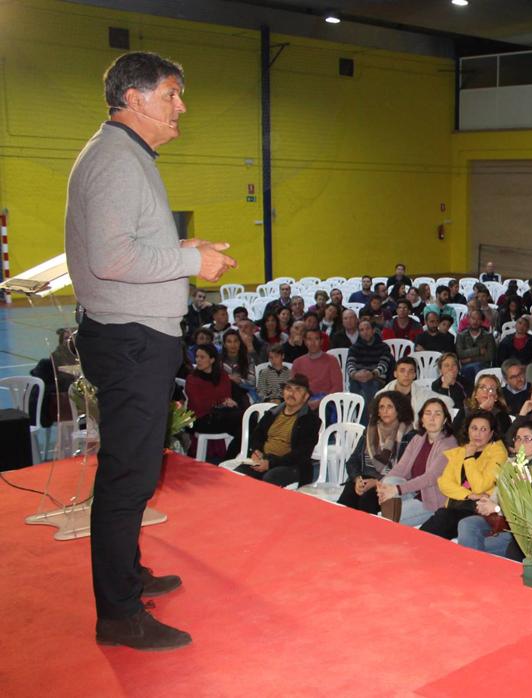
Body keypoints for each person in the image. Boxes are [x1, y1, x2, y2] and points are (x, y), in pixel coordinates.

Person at [67, 51, 237, 650]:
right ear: (133, 99)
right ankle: (117, 615)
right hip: (131, 338)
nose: (181, 106)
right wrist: (192, 261)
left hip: (133, 335)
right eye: (171, 94)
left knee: (136, 472)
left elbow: (129, 243)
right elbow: (111, 260)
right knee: (128, 476)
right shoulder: (117, 161)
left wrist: (178, 242)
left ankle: (126, 575)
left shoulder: (124, 155)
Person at [458, 421, 532, 558]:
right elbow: (498, 492)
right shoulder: (511, 463)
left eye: (527, 439)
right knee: (466, 524)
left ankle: (472, 568)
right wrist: (487, 503)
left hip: (522, 532)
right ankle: (472, 566)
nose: (520, 443)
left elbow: (530, 512)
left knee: (475, 545)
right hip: (500, 520)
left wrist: (496, 508)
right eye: (518, 438)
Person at [420, 411, 508, 539]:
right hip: (455, 508)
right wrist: (468, 495)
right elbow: (444, 483)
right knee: (442, 517)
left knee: (442, 519)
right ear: (468, 431)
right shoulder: (462, 451)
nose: (477, 434)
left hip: (479, 511)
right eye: (474, 428)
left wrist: (469, 458)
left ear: (491, 434)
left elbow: (480, 486)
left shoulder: (498, 454)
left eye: (483, 429)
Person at [376, 397, 457, 527]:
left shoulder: (449, 444)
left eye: (438, 414)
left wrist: (396, 490)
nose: (432, 418)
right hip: (413, 492)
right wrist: (382, 484)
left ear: (445, 420)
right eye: (428, 413)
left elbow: (430, 478)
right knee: (389, 482)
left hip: (430, 501)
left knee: (385, 518)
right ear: (422, 420)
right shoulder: (418, 439)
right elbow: (401, 468)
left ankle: (390, 529)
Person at [231, 373, 321, 488]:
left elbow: (301, 454)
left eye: (298, 390)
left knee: (270, 478)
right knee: (239, 474)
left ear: (306, 396)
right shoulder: (273, 412)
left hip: (293, 466)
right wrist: (256, 450)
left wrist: (271, 463)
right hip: (265, 459)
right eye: (288, 388)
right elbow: (257, 434)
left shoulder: (310, 420)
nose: (292, 393)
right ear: (283, 392)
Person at [336, 392, 415, 514]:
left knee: (367, 499)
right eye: (381, 407)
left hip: (388, 484)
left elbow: (405, 470)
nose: (385, 411)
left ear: (399, 410)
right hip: (364, 479)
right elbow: (353, 460)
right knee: (348, 496)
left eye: (390, 407)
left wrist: (376, 482)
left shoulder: (409, 435)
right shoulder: (370, 430)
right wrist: (357, 479)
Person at [185, 343, 245, 458]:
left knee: (246, 421)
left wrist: (227, 402)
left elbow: (226, 396)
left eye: (202, 357)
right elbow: (199, 404)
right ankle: (230, 459)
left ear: (212, 359)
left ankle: (229, 458)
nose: (198, 360)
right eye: (197, 357)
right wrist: (221, 401)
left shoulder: (222, 375)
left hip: (220, 414)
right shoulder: (192, 379)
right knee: (243, 422)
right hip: (200, 419)